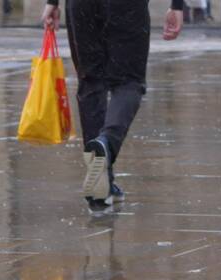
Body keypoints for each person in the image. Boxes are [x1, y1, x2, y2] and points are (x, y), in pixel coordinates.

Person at [40, 0, 184, 214]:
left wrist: (52, 2)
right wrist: (177, 6)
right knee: (129, 82)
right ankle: (106, 143)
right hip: (125, 7)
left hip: (81, 6)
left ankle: (101, 187)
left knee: (90, 84)